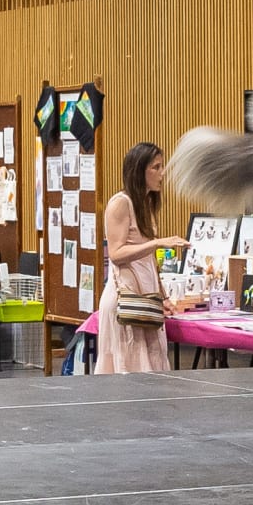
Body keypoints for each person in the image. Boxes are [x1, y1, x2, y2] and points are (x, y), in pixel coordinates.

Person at [98, 143, 187, 375]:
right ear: (139, 170)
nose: (162, 173)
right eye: (156, 167)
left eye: (161, 166)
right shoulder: (120, 203)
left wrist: (162, 296)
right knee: (129, 371)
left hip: (145, 298)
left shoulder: (145, 204)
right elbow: (116, 254)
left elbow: (149, 261)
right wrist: (156, 243)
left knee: (150, 370)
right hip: (126, 300)